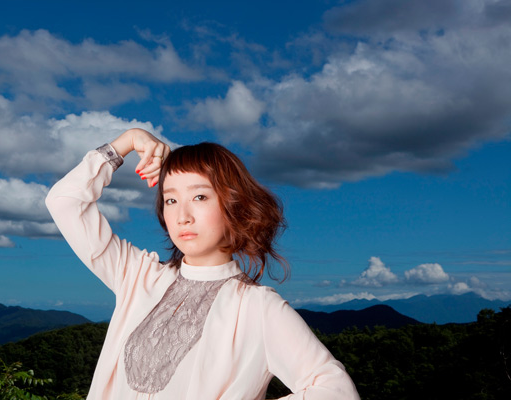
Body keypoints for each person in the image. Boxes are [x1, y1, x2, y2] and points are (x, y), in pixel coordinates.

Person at [46, 128, 359, 400]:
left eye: (200, 197)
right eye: (171, 200)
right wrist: (127, 141)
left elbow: (336, 391)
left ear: (234, 204)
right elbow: (64, 202)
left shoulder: (258, 308)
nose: (182, 216)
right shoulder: (138, 276)